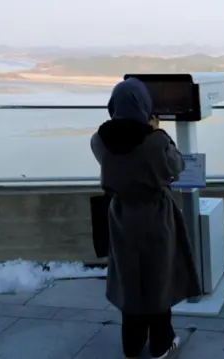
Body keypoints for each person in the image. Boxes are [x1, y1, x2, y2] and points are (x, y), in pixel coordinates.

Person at [90, 77, 201, 359]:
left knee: (130, 277)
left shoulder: (99, 140)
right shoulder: (156, 141)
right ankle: (161, 344)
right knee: (159, 276)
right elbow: (176, 166)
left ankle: (132, 343)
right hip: (155, 215)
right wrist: (158, 133)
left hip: (121, 215)